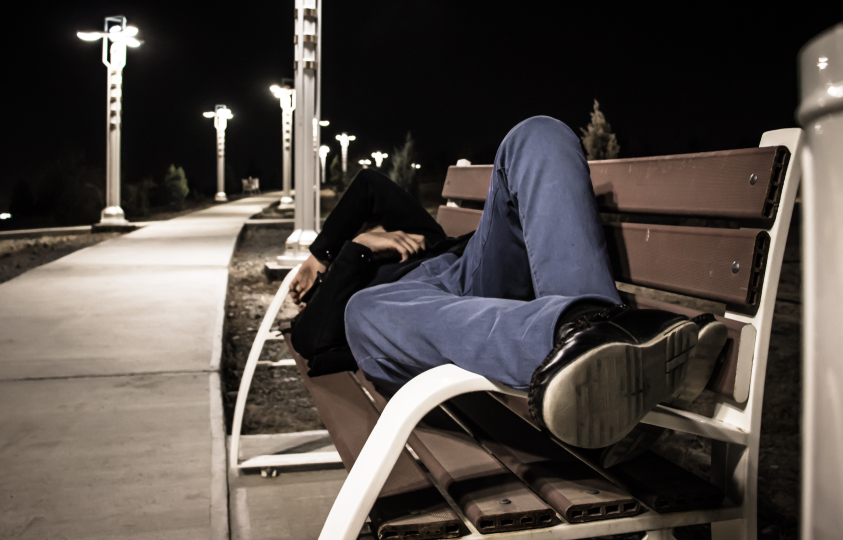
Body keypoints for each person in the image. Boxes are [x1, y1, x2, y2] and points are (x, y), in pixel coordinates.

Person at [290, 116, 726, 456]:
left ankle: (592, 330)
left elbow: (369, 186)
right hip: (411, 315)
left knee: (535, 134)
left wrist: (318, 254)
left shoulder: (400, 237)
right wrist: (357, 249)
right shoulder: (342, 291)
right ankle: (587, 354)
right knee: (363, 311)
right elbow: (311, 339)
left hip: (467, 269)